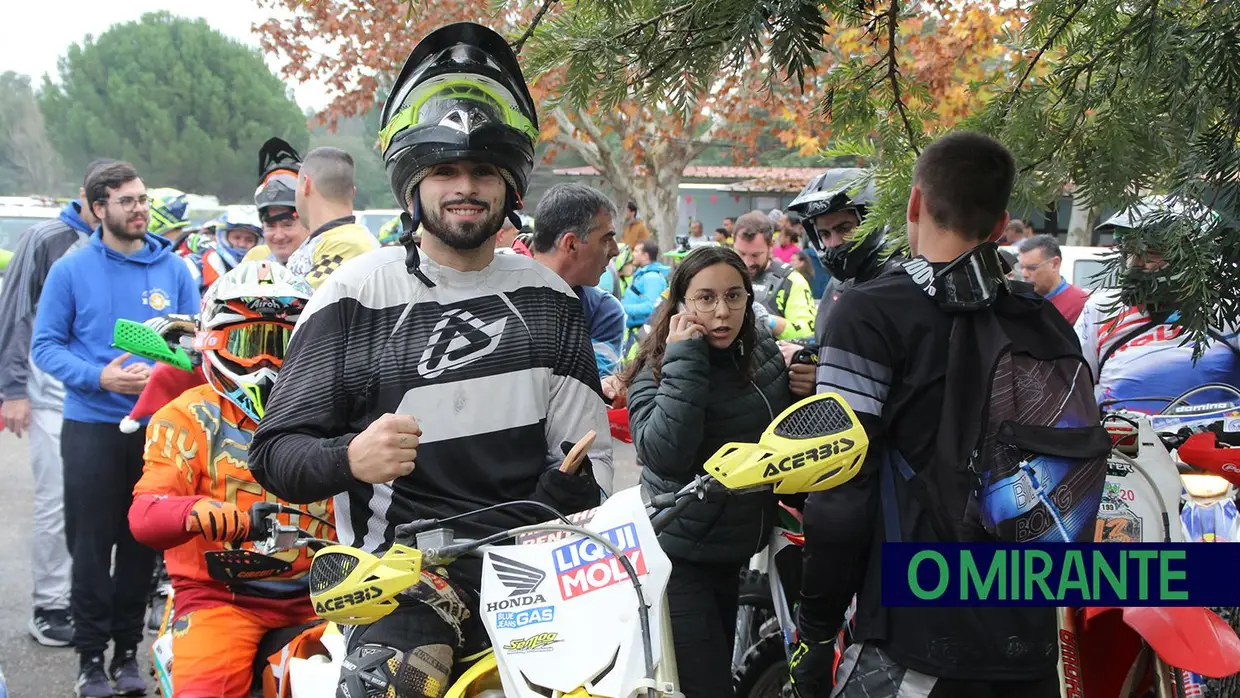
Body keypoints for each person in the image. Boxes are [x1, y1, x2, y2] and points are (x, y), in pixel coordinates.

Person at [248, 23, 612, 697]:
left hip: (539, 570)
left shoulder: (551, 300)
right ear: (413, 183)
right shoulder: (354, 294)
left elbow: (589, 470)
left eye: (481, 171)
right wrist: (348, 458)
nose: (464, 187)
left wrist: (573, 490)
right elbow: (273, 454)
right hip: (403, 581)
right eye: (444, 170)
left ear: (511, 186)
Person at [791, 132, 1065, 698]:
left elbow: (839, 492)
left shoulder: (869, 311)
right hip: (1029, 635)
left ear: (913, 204)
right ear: (1000, 225)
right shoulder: (1044, 320)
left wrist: (815, 632)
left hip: (917, 637)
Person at [31, 160, 200, 697]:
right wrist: (98, 375)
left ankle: (127, 655)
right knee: (90, 545)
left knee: (140, 547)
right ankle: (88, 660)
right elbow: (45, 347)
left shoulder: (173, 270)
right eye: (127, 201)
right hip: (92, 428)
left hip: (158, 432)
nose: (140, 210)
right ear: (98, 207)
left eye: (143, 199)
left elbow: (196, 345)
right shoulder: (72, 268)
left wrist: (167, 367)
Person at [128, 261, 335, 698]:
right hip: (219, 598)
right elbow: (145, 516)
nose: (264, 362)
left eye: (281, 344)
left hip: (333, 594)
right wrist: (195, 510)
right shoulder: (186, 416)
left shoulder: (340, 410)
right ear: (214, 342)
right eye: (248, 343)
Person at [624, 245, 799, 698]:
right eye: (705, 298)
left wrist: (805, 378)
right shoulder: (658, 365)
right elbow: (664, 454)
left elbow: (779, 432)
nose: (722, 312)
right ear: (681, 303)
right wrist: (686, 360)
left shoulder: (759, 350)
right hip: (677, 556)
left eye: (734, 296)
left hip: (735, 550)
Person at [0, 158, 113, 648]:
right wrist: (12, 390)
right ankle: (49, 604)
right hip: (50, 398)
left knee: (99, 505)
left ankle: (86, 597)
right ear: (92, 201)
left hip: (106, 400)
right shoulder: (48, 239)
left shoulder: (119, 247)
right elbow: (17, 312)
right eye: (111, 200)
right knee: (56, 504)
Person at [1075, 196, 1240, 412]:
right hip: (1122, 441)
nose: (1136, 264)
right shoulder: (1100, 309)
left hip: (1215, 441)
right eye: (1129, 252)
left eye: (1150, 255)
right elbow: (1071, 388)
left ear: (1193, 258)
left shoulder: (1229, 309)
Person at [786, 168, 902, 336]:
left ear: (870, 220)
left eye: (844, 229)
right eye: (824, 234)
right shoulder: (841, 281)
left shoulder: (894, 279)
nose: (834, 242)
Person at [526, 183, 626, 378]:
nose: (615, 251)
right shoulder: (493, 290)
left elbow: (593, 384)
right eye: (606, 239)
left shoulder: (603, 311)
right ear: (571, 244)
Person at [286, 146, 381, 288]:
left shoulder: (347, 245)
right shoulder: (335, 240)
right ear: (353, 192)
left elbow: (303, 303)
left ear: (306, 185)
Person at [730, 211, 816, 341]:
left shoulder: (792, 281)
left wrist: (769, 321)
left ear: (771, 245)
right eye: (741, 253)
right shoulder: (722, 275)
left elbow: (807, 332)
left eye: (755, 255)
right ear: (733, 243)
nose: (747, 263)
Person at [245, 137, 312, 266]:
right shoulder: (256, 260)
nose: (279, 236)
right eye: (270, 226)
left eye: (287, 224)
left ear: (309, 223)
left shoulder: (326, 260)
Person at [1017, 234, 1090, 324]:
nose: (1024, 274)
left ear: (1055, 264)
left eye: (1032, 267)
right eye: (1021, 267)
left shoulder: (1080, 304)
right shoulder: (1020, 301)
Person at [620, 240, 671, 354]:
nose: (633, 254)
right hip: (636, 333)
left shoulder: (652, 277)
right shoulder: (644, 275)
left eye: (637, 251)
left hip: (643, 336)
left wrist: (621, 307)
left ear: (645, 255)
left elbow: (651, 307)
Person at [198, 205, 264, 291]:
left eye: (249, 239)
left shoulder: (265, 266)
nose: (241, 244)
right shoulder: (204, 261)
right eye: (236, 237)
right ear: (225, 238)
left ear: (257, 242)